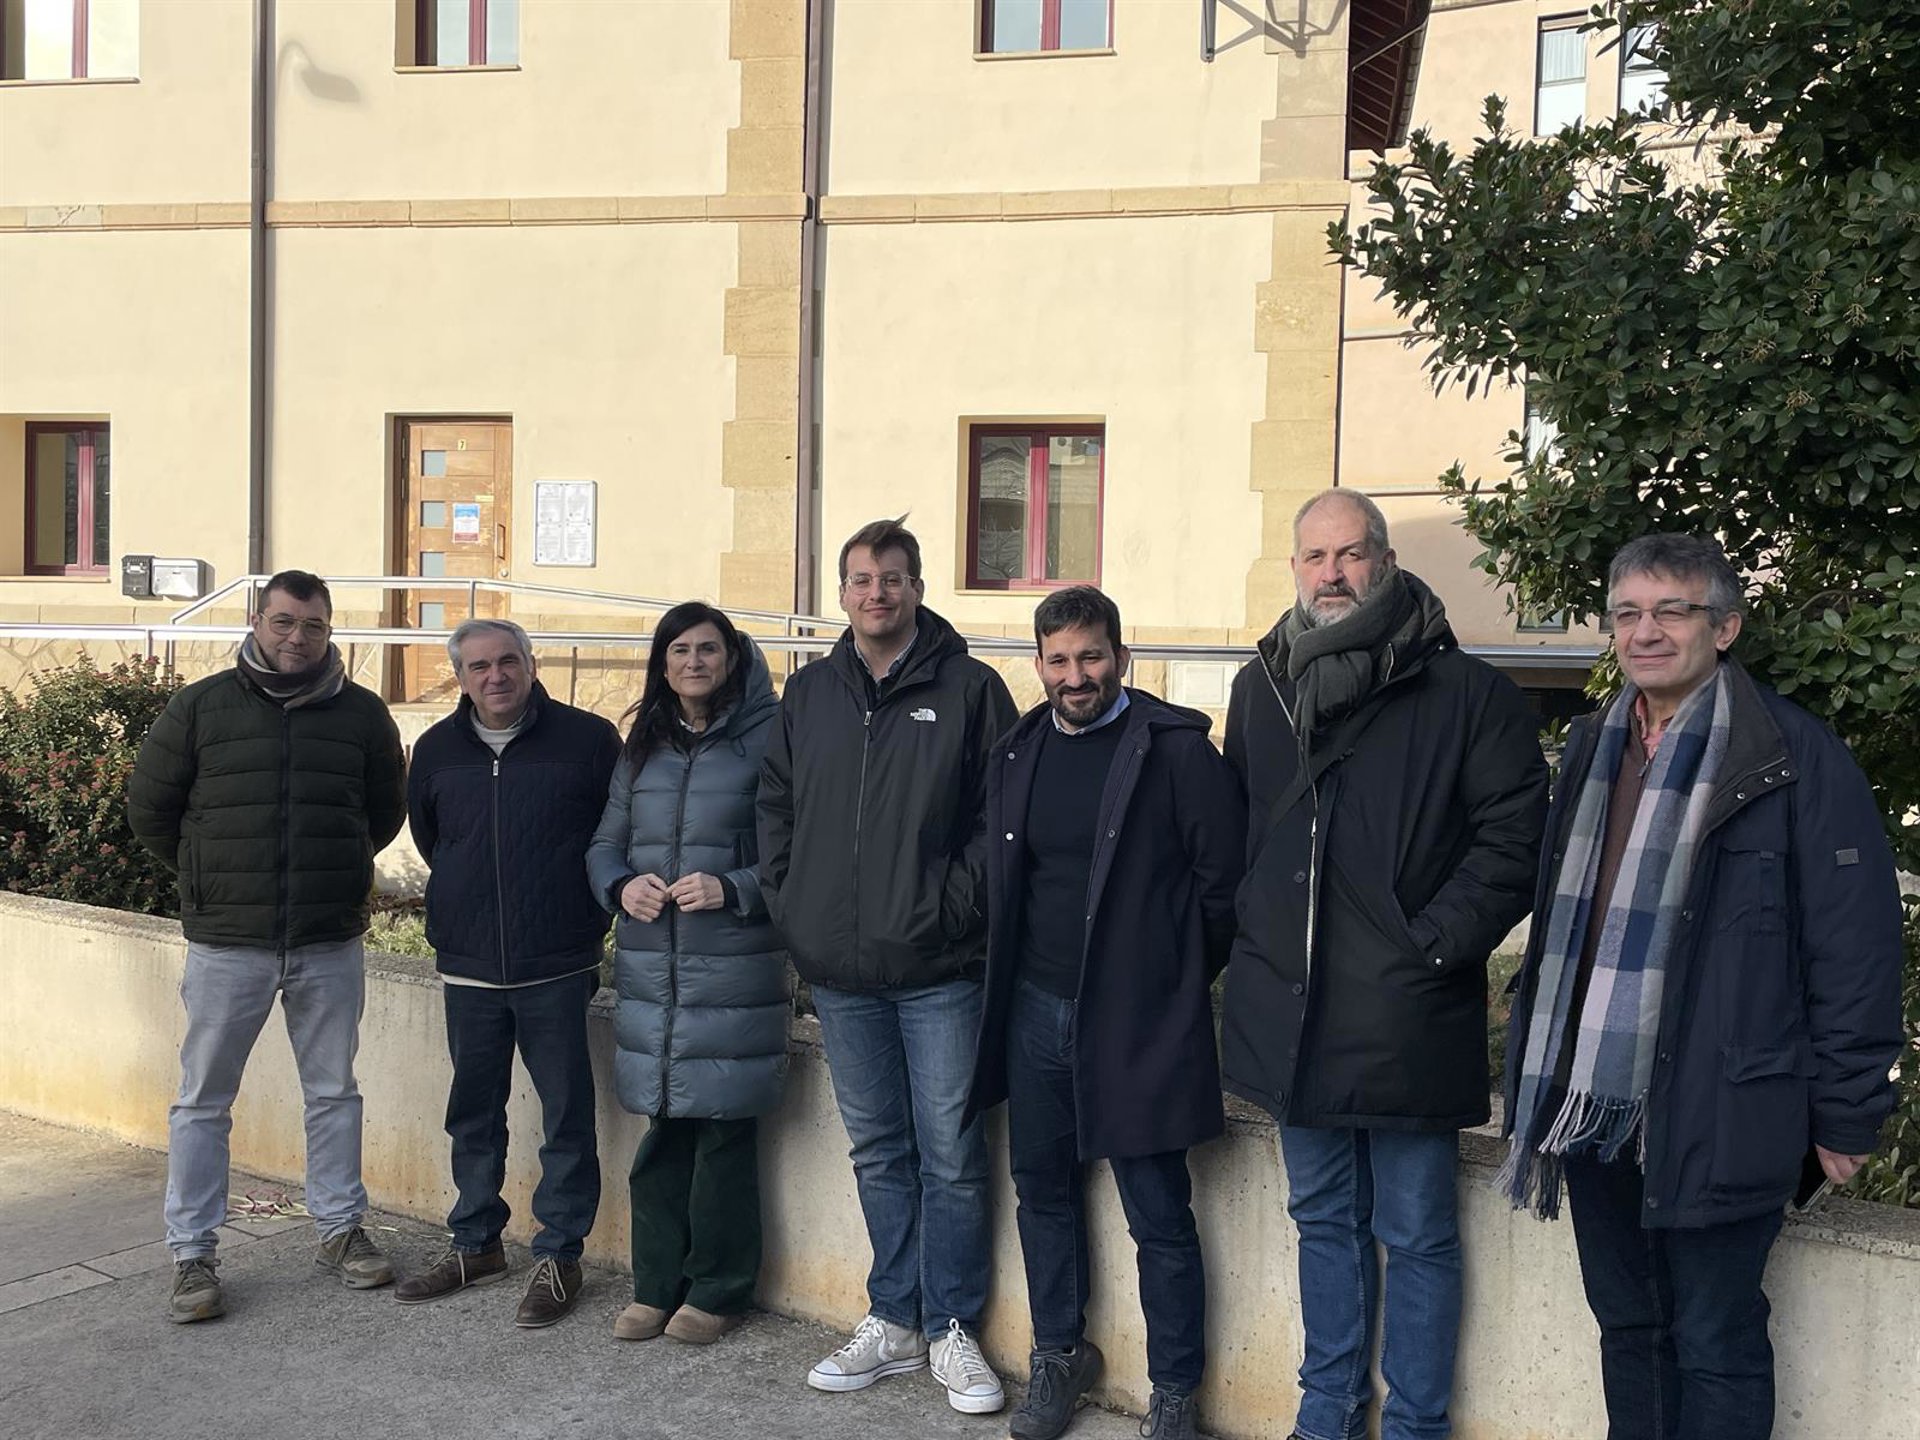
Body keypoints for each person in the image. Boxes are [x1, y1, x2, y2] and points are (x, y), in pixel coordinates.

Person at [1500, 534, 1904, 1440]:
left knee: (1716, 1341)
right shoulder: (1593, 749)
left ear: (1724, 628)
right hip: (1592, 1104)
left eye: (1671, 611)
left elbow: (1855, 947)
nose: (1645, 632)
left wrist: (1847, 1112)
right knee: (1629, 1329)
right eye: (1627, 613)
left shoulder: (1792, 755)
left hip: (1726, 1102)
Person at [1220, 490, 1548, 1440]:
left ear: (1387, 561)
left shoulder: (1470, 695)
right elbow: (1246, 834)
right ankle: (1325, 1412)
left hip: (1407, 1012)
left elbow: (1514, 843)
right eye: (1315, 556)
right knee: (1322, 1220)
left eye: (1351, 553)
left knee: (1417, 1234)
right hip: (1294, 1013)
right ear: (1295, 568)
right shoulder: (1262, 688)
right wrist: (1255, 936)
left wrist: (1431, 944)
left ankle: (1414, 1425)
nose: (1333, 574)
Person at [965, 586, 1245, 1440]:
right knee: (1042, 1194)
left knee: (1157, 1213)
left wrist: (1168, 982)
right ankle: (1059, 1355)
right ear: (1039, 664)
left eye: (1091, 656)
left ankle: (1174, 1393)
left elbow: (1223, 890)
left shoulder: (1175, 752)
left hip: (1137, 1021)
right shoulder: (1019, 751)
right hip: (1034, 1013)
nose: (1075, 675)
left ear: (1122, 657)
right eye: (1058, 660)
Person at [758, 517, 1019, 1413]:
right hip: (840, 972)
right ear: (842, 594)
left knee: (952, 1154)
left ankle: (952, 1326)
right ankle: (895, 1318)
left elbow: (998, 821)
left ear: (917, 588)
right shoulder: (809, 693)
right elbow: (776, 808)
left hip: (940, 969)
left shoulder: (970, 689)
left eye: (893, 578)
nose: (877, 593)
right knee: (877, 1151)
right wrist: (795, 907)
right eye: (862, 579)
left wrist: (953, 910)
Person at [128, 569, 407, 1322]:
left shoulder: (362, 714)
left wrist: (335, 873)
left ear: (328, 631)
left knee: (334, 1092)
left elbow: (382, 814)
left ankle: (340, 1230)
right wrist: (212, 877)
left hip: (327, 939)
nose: (297, 638)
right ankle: (192, 1254)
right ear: (257, 621)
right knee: (203, 1100)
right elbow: (150, 811)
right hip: (229, 941)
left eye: (313, 626)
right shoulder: (200, 707)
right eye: (283, 622)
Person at [397, 619, 620, 1326]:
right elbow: (435, 839)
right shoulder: (436, 750)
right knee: (473, 1113)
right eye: (478, 667)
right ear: (461, 677)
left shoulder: (588, 740)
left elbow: (613, 835)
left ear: (530, 664)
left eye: (507, 662)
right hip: (469, 966)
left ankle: (559, 1255)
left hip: (557, 960)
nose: (495, 676)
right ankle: (476, 1243)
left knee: (565, 1114)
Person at [586, 602, 787, 1347]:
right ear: (662, 664)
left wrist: (733, 887)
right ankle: (654, 1285)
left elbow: (797, 851)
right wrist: (620, 886)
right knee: (662, 1131)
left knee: (724, 1136)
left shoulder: (771, 736)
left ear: (732, 659)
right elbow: (604, 844)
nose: (693, 662)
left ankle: (718, 1290)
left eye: (707, 649)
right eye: (679, 651)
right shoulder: (643, 743)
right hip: (653, 972)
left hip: (734, 969)